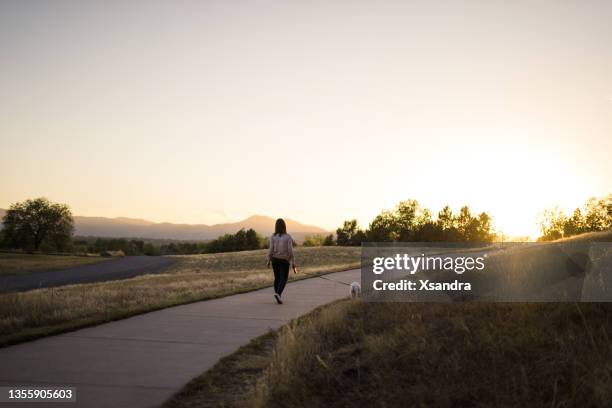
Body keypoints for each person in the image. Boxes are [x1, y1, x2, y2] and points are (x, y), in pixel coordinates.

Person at [267, 218, 297, 304]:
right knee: (284, 278)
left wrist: (269, 260)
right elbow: (290, 251)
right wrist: (293, 262)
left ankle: (277, 295)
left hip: (275, 260)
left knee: (277, 278)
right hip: (284, 260)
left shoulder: (273, 236)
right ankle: (278, 294)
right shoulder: (288, 237)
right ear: (284, 226)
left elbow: (271, 250)